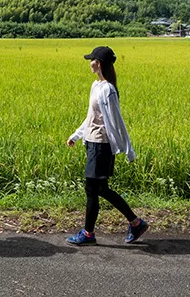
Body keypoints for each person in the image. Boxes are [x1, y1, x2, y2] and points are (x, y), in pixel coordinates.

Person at [65, 46, 148, 246]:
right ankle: (135, 223)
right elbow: (91, 118)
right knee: (100, 189)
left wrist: (127, 149)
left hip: (102, 145)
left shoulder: (108, 90)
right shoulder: (96, 86)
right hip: (92, 142)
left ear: (98, 63)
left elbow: (116, 121)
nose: (89, 63)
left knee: (93, 189)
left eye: (91, 60)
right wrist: (76, 135)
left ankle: (88, 233)